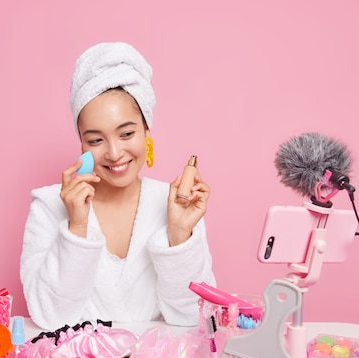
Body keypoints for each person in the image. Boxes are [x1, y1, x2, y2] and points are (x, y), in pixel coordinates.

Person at [20, 42, 216, 330]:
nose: (113, 153)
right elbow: (49, 317)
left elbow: (196, 318)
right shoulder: (50, 206)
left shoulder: (176, 203)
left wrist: (178, 235)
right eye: (96, 140)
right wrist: (75, 229)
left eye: (126, 133)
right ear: (82, 144)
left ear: (147, 131)